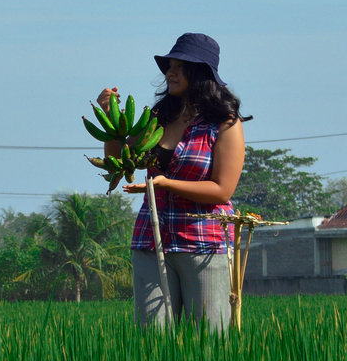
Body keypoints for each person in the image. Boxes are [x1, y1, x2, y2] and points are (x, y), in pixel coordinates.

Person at [98, 33, 248, 331]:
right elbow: (120, 165)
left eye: (181, 66)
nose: (171, 72)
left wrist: (165, 184)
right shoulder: (156, 118)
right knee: (153, 339)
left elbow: (222, 189)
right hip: (151, 239)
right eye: (170, 65)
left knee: (209, 337)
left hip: (203, 243)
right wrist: (110, 118)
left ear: (202, 73)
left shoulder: (225, 124)